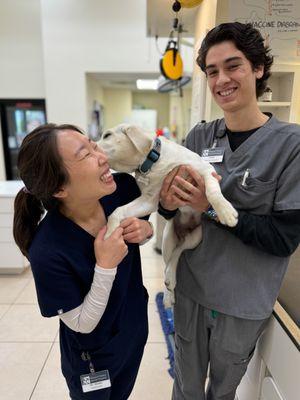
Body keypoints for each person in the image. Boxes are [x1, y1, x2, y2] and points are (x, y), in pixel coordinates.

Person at [158, 22, 300, 400]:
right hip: (192, 291)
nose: (222, 79)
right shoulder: (199, 138)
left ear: (257, 68)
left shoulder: (291, 146)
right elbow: (174, 213)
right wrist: (167, 203)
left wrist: (210, 207)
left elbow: (282, 238)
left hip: (242, 302)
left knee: (222, 393)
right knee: (186, 388)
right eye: (212, 71)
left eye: (233, 66)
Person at [13, 123, 154, 400]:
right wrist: (105, 266)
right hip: (93, 357)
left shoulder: (122, 191)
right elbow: (80, 323)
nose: (102, 155)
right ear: (59, 188)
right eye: (85, 155)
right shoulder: (48, 249)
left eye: (92, 144)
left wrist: (146, 232)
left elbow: (152, 215)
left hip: (132, 332)